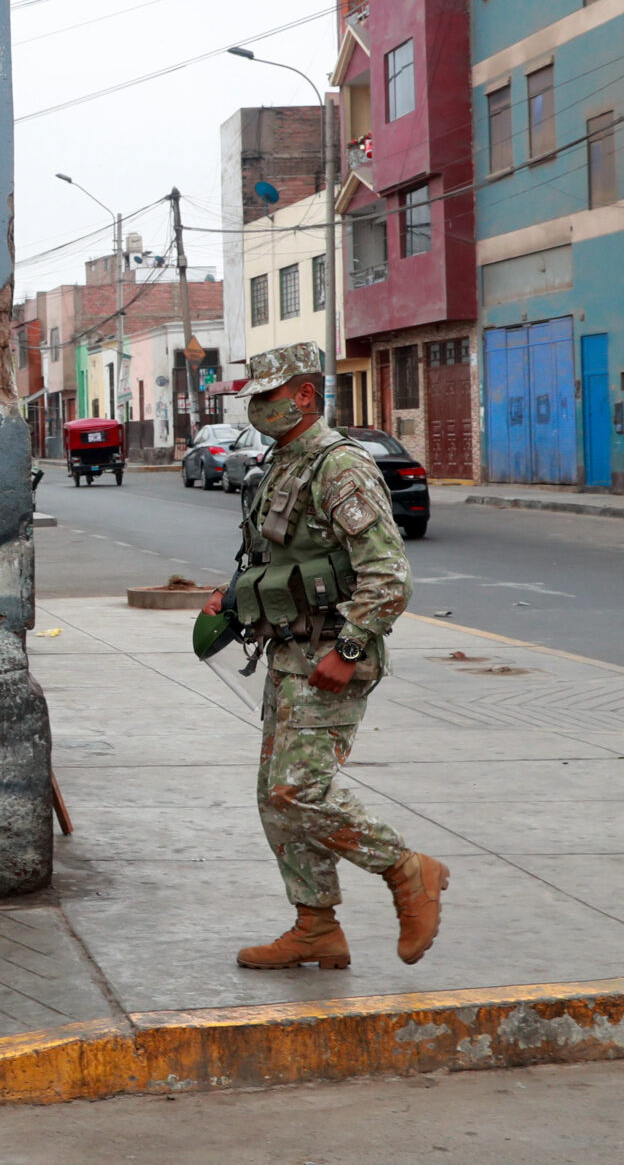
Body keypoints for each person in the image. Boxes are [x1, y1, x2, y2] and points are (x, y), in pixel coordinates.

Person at [205, 344, 448, 971]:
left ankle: (406, 869)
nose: (257, 408)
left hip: (331, 658)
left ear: (304, 395)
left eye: (267, 395)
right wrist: (233, 594)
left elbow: (388, 575)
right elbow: (283, 559)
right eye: (253, 398)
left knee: (296, 790)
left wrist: (348, 647)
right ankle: (315, 925)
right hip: (290, 654)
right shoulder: (283, 463)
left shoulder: (340, 467)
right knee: (273, 794)